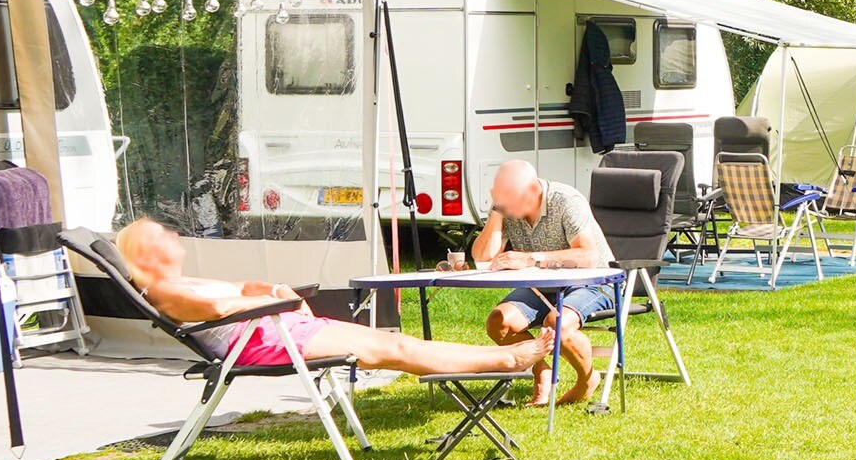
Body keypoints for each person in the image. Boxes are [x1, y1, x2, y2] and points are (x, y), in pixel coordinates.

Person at [116, 219, 552, 380]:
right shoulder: (161, 289)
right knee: (395, 350)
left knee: (397, 344)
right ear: (147, 254)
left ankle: (505, 359)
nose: (174, 235)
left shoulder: (184, 279)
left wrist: (272, 291)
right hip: (265, 340)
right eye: (163, 235)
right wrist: (275, 305)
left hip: (276, 329)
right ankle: (507, 360)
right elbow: (217, 310)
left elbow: (240, 290)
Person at [448, 159, 616, 405]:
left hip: (591, 281)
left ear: (532, 190)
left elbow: (588, 257)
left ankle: (587, 379)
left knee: (556, 322)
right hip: (541, 286)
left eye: (508, 203)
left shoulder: (566, 201)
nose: (506, 208)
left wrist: (532, 259)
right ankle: (540, 369)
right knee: (498, 323)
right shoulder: (507, 206)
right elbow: (483, 258)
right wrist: (497, 211)